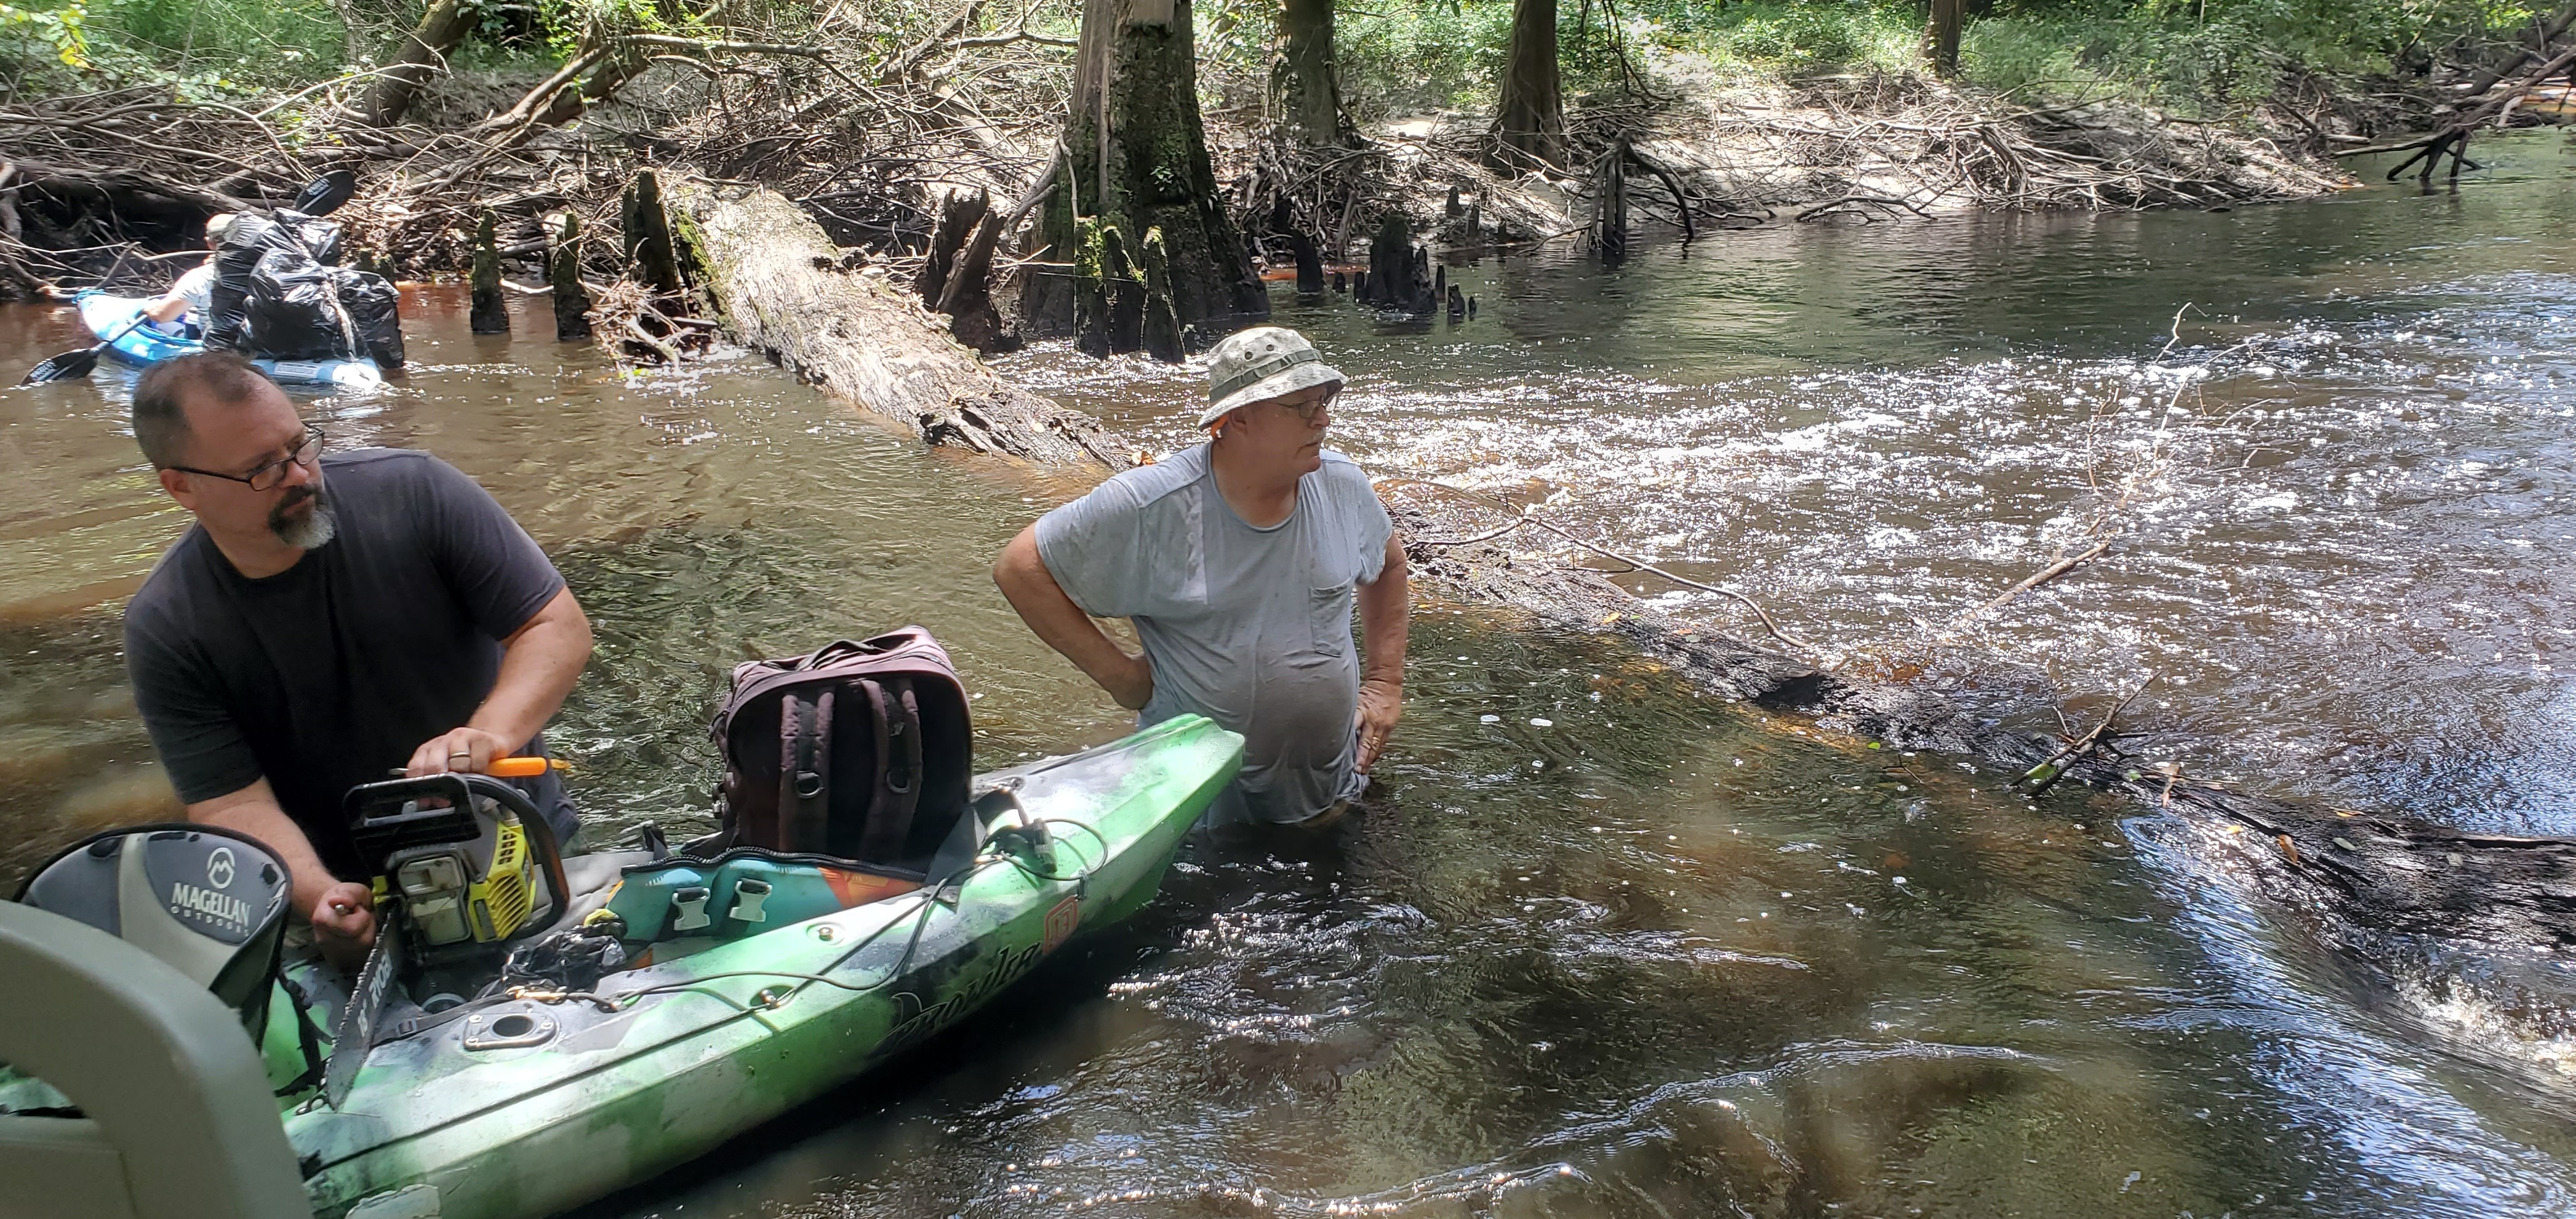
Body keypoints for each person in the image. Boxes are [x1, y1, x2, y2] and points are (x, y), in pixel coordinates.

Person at [121, 351, 592, 964]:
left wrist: (488, 734)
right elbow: (230, 802)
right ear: (181, 486)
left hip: (518, 843)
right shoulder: (168, 625)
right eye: (262, 468)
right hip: (350, 891)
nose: (300, 476)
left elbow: (555, 625)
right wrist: (319, 896)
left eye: (300, 444)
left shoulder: (415, 492)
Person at [994, 326, 1408, 827]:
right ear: (1237, 419)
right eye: (1302, 405)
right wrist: (1121, 679)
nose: (1322, 420)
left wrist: (1386, 683)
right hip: (1194, 825)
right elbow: (1020, 567)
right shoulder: (1152, 504)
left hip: (1331, 798)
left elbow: (1388, 565)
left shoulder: (1340, 483)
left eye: (1324, 401)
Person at [141, 213, 239, 336]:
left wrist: (151, 308)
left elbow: (161, 316)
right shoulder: (267, 266)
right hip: (256, 343)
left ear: (209, 243)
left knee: (159, 324)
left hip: (215, 346)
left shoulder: (200, 277)